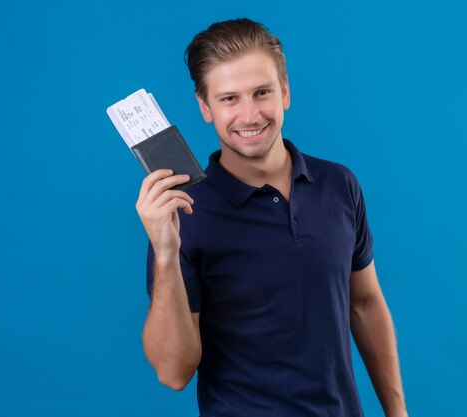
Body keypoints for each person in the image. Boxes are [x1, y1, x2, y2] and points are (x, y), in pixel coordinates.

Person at [136, 18, 408, 417]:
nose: (249, 116)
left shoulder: (339, 184)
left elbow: (365, 304)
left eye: (261, 92)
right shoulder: (185, 212)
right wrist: (164, 252)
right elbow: (174, 372)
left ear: (285, 92)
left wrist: (397, 412)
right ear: (205, 107)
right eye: (229, 99)